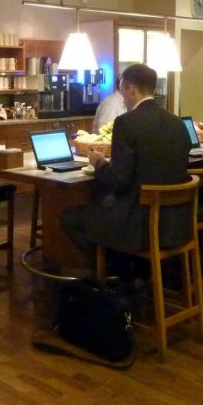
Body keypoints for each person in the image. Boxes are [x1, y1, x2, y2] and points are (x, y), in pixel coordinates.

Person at [60, 63, 191, 262]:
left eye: (121, 89)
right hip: (176, 222)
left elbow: (118, 181)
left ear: (131, 88)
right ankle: (130, 267)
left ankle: (114, 269)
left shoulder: (126, 123)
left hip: (137, 223)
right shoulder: (178, 123)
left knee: (69, 218)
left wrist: (99, 163)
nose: (121, 95)